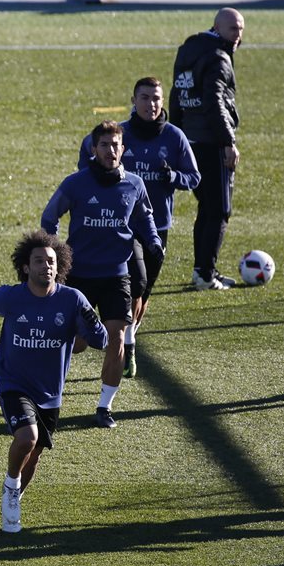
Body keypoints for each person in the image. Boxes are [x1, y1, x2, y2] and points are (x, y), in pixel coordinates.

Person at [0, 230, 107, 533]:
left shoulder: (72, 300)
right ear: (26, 267)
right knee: (27, 438)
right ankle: (11, 484)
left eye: (51, 261)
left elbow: (101, 341)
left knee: (36, 450)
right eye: (39, 261)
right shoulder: (11, 297)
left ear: (60, 266)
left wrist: (92, 319)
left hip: (50, 392)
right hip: (12, 382)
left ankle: (14, 495)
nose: (46, 266)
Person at [42, 120, 162, 429]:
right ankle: (48, 397)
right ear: (93, 149)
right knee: (77, 342)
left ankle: (104, 407)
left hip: (115, 276)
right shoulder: (75, 183)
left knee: (117, 338)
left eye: (116, 145)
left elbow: (145, 217)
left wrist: (153, 241)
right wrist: (53, 252)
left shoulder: (134, 184)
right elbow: (50, 215)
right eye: (105, 145)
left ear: (124, 149)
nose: (111, 150)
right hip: (78, 275)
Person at [78, 77, 199, 377]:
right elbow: (86, 154)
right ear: (134, 101)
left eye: (156, 98)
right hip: (121, 227)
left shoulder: (174, 137)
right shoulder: (119, 135)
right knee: (133, 283)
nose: (152, 104)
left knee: (142, 294)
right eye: (145, 98)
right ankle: (120, 340)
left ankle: (129, 339)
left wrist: (173, 178)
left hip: (157, 227)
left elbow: (194, 177)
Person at [169, 7, 244, 290]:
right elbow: (215, 102)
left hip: (190, 141)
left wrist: (175, 136)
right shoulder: (218, 57)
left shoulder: (189, 50)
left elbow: (177, 95)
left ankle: (202, 270)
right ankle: (205, 274)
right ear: (217, 28)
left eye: (240, 29)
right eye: (233, 29)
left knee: (208, 207)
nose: (238, 35)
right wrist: (228, 142)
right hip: (211, 143)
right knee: (219, 210)